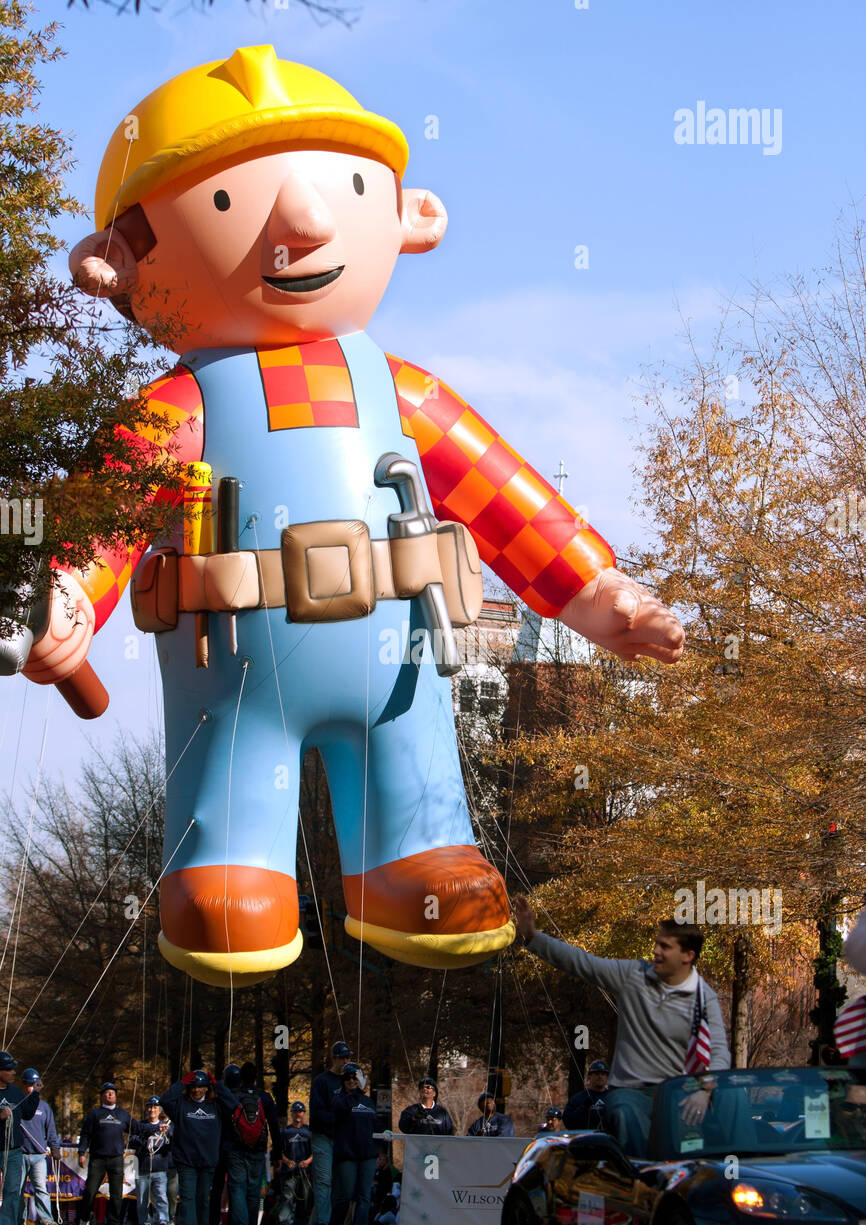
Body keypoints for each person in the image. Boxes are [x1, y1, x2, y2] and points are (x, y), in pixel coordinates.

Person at [40, 46, 684, 994]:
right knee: (231, 817)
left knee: (416, 770)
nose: (302, 221)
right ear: (118, 262)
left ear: (406, 216)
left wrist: (594, 589)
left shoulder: (404, 393)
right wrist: (63, 594)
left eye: (341, 184)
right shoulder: (176, 409)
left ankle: (420, 854)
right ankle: (227, 868)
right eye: (227, 205)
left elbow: (505, 497)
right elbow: (109, 511)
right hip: (235, 672)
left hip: (401, 663)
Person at [515, 898, 730, 1157]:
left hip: (675, 1092)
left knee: (734, 1101)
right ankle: (644, 1177)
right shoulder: (633, 976)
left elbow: (718, 1052)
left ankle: (749, 1174)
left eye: (665, 946)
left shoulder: (703, 997)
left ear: (687, 956)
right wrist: (532, 936)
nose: (656, 952)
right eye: (656, 944)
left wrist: (705, 1090)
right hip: (631, 1091)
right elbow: (582, 962)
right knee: (624, 1113)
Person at [159, 1069, 237, 1225]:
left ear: (207, 1088)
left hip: (208, 1160)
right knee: (187, 1198)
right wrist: (181, 1083)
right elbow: (165, 1100)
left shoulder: (216, 1106)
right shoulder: (181, 1105)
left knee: (203, 1199)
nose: (197, 1091)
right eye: (193, 1087)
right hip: (186, 1160)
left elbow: (233, 1105)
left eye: (201, 1087)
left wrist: (217, 1084)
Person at [224, 1061, 282, 1225]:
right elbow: (274, 1125)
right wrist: (277, 1154)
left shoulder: (234, 1096)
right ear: (256, 1077)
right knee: (253, 1190)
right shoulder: (264, 1097)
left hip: (236, 1148)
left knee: (237, 1188)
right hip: (258, 1149)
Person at [327, 1064, 380, 1225]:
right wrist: (354, 1093)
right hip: (347, 1154)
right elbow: (339, 1110)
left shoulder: (369, 1103)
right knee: (346, 1194)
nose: (351, 1082)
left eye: (354, 1078)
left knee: (365, 1196)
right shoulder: (339, 1099)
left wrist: (381, 1147)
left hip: (367, 1155)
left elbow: (377, 1125)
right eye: (348, 1079)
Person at [78, 1081, 139, 1225]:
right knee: (90, 1190)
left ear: (116, 1096)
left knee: (117, 1192)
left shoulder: (123, 1114)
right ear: (102, 1096)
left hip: (116, 1158)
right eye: (106, 1092)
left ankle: (113, 1222)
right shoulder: (95, 1114)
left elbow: (138, 1128)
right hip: (97, 1158)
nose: (110, 1094)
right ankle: (84, 1218)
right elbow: (85, 1134)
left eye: (112, 1092)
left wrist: (155, 1128)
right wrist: (81, 1153)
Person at [309, 1041, 352, 1225]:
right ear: (334, 1058)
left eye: (348, 1058)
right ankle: (324, 1223)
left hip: (343, 1137)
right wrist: (338, 1117)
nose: (345, 1061)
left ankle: (335, 1224)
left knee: (341, 1183)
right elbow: (317, 1113)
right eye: (342, 1057)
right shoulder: (322, 1081)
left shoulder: (350, 1081)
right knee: (324, 1180)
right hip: (323, 1136)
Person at [0, 1051, 41, 1225]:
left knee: (12, 1191)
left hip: (13, 1150)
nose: (13, 1073)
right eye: (9, 1069)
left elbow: (28, 1114)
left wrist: (35, 1094)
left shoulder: (16, 1092)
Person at [16, 1067, 61, 1225]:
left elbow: (51, 1130)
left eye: (33, 1085)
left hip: (38, 1155)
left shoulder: (44, 1107)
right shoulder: (18, 1103)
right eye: (28, 1084)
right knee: (18, 1191)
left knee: (41, 1188)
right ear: (23, 1084)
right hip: (19, 1154)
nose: (30, 1088)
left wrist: (55, 1147)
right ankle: (17, 1224)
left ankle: (46, 1222)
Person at [208, 1063, 241, 1225]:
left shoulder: (221, 1099)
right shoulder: (237, 1098)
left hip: (222, 1147)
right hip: (232, 1148)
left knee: (217, 1189)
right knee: (233, 1189)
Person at [130, 1097, 172, 1225]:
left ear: (159, 1110)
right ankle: (145, 1222)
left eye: (155, 1107)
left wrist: (168, 1133)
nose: (152, 1110)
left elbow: (171, 1143)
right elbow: (132, 1141)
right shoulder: (141, 1126)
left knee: (161, 1196)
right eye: (150, 1107)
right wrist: (143, 1138)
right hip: (143, 1167)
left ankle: (163, 1221)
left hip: (159, 1167)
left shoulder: (167, 1126)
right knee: (142, 1198)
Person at [279, 1101, 313, 1225]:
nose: (298, 1114)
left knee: (304, 1200)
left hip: (305, 1171)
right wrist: (287, 1161)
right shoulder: (285, 1132)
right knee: (287, 1197)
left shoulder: (308, 1132)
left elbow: (314, 1152)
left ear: (304, 1114)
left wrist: (308, 1161)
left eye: (300, 1112)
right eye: (295, 1112)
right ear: (291, 1114)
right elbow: (279, 1151)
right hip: (290, 1172)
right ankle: (284, 1224)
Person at [563, 1061, 610, 1130]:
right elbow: (568, 1122)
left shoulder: (613, 1098)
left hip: (608, 1138)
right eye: (596, 1074)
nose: (600, 1077)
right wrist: (583, 1108)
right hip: (584, 1138)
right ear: (589, 1076)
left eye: (603, 1074)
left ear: (607, 1077)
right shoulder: (578, 1099)